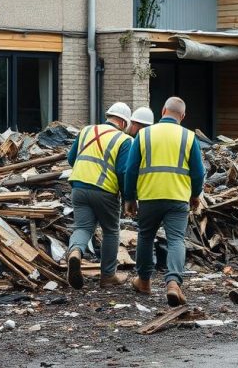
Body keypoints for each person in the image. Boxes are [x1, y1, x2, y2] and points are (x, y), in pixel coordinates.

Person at [123, 96, 206, 306]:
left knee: (146, 237)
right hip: (178, 197)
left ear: (162, 111)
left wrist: (129, 197)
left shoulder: (144, 135)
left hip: (150, 196)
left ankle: (143, 281)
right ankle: (173, 283)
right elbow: (198, 172)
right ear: (183, 116)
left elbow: (130, 169)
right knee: (176, 239)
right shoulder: (188, 137)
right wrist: (195, 195)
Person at [65, 102, 134, 289]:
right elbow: (123, 171)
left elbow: (71, 159)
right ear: (122, 121)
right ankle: (108, 276)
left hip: (78, 187)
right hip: (104, 191)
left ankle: (75, 252)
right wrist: (128, 198)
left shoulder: (86, 130)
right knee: (111, 231)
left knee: (82, 227)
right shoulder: (123, 140)